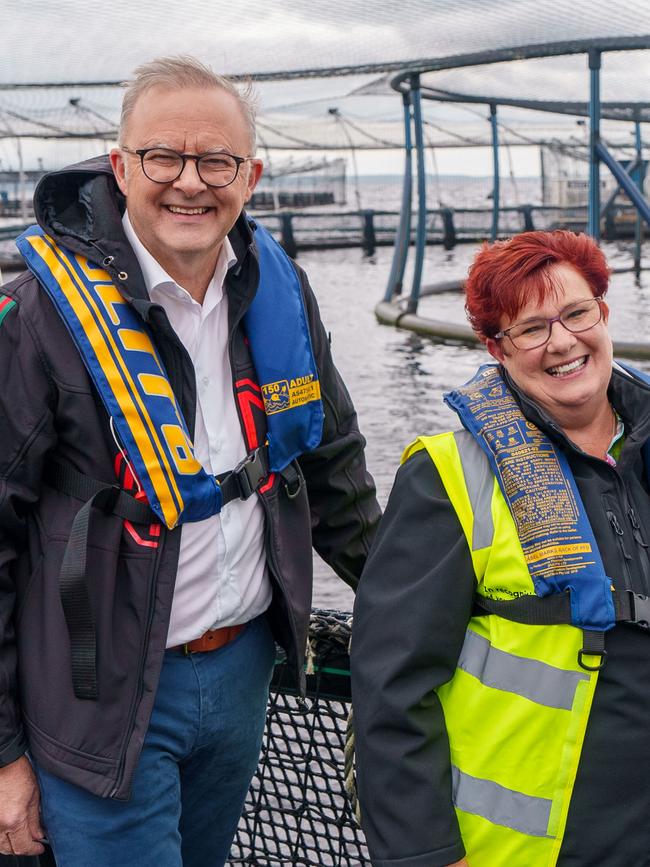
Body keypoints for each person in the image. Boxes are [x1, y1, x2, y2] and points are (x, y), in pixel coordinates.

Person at [0, 55, 380, 867]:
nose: (189, 183)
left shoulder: (281, 294)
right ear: (120, 165)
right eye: (162, 157)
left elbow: (335, 469)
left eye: (216, 161)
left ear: (251, 175)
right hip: (94, 698)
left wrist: (415, 605)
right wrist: (2, 752)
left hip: (245, 672)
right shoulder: (36, 318)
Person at [351, 230, 650, 867]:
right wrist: (425, 854)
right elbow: (391, 685)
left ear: (604, 312)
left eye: (576, 313)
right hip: (532, 848)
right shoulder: (447, 478)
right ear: (496, 349)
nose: (564, 342)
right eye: (531, 329)